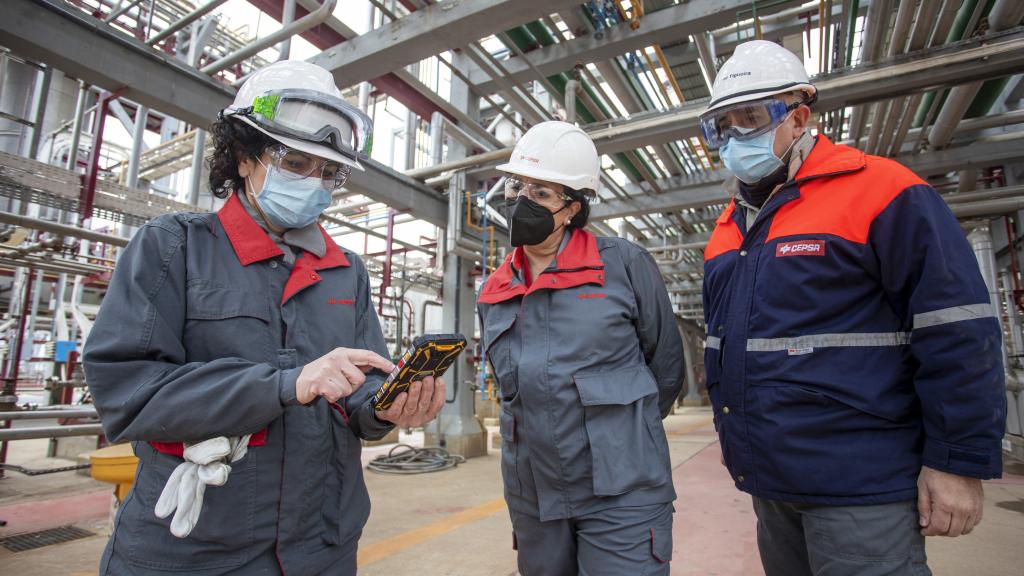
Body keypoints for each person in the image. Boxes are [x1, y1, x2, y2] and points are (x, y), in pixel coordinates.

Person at [83, 60, 445, 575]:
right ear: (244, 156)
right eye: (296, 163)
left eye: (328, 173)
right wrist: (284, 385)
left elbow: (362, 393)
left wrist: (388, 409)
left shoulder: (346, 272)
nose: (314, 184)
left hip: (322, 543)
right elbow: (127, 392)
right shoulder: (175, 248)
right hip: (196, 548)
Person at [698, 40, 1006, 576]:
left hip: (863, 485)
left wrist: (956, 462)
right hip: (770, 484)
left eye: (748, 117)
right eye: (721, 125)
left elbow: (954, 329)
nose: (733, 137)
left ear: (798, 117)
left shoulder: (882, 191)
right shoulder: (728, 231)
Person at [477, 120, 684, 575]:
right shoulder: (494, 289)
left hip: (622, 491)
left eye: (542, 193)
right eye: (517, 186)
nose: (521, 201)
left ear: (573, 207)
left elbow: (666, 372)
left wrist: (620, 436)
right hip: (535, 496)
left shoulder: (625, 265)